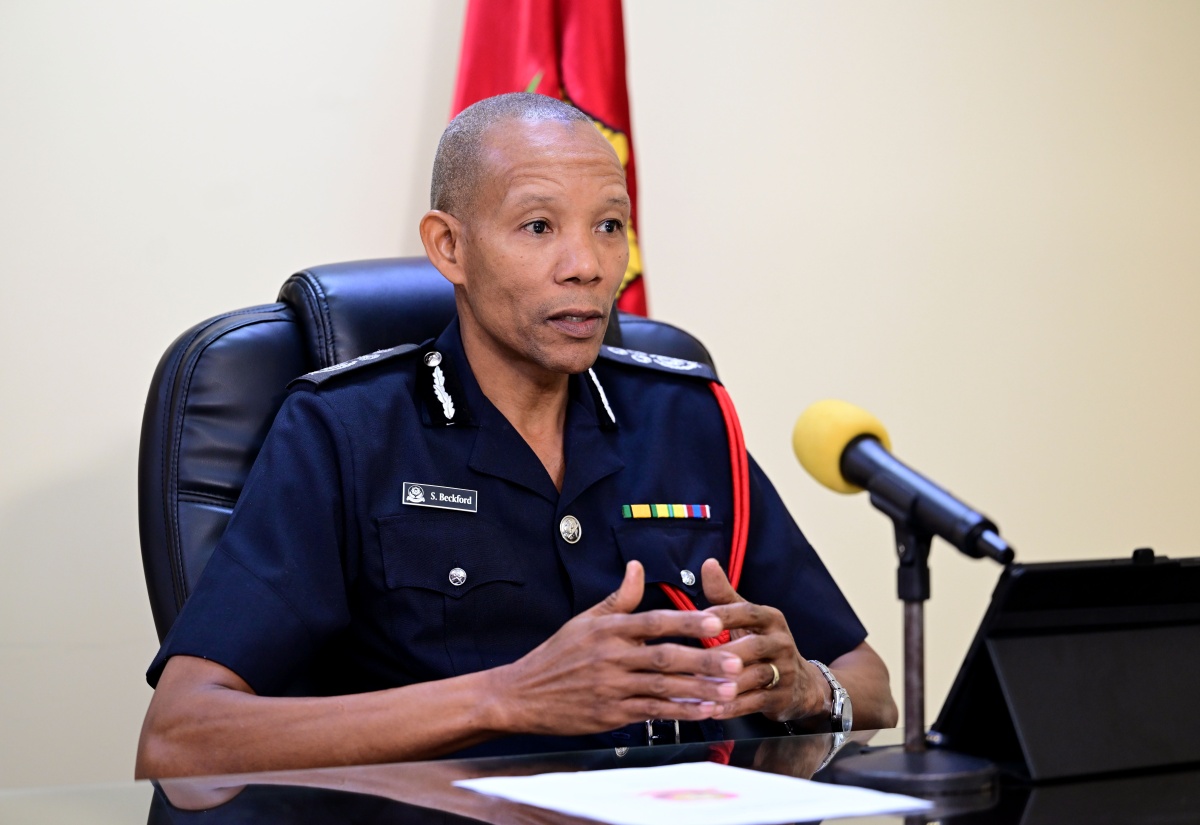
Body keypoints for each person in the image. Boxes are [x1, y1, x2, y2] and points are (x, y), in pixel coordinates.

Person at [135, 93, 897, 780]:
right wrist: (507, 696)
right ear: (449, 247)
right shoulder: (346, 429)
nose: (588, 267)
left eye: (609, 227)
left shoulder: (685, 417)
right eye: (539, 226)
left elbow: (869, 684)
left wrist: (802, 686)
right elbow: (182, 736)